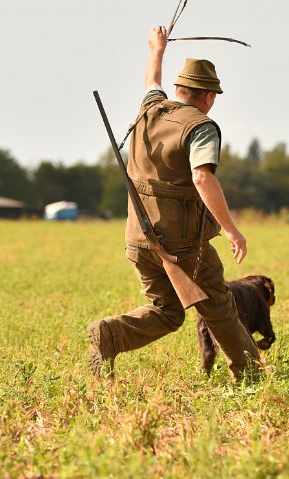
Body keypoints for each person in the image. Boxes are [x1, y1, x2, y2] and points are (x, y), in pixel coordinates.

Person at [88, 25, 261, 381]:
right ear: (208, 96)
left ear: (179, 89)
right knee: (218, 305)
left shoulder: (151, 108)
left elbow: (151, 80)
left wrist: (157, 48)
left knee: (167, 311)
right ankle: (251, 375)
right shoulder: (201, 127)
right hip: (182, 243)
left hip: (138, 238)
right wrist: (231, 230)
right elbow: (202, 177)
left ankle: (109, 335)